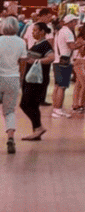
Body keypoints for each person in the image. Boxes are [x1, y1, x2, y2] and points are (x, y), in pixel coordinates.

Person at [19, 22, 54, 140]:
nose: (33, 33)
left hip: (36, 80)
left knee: (25, 104)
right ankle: (37, 130)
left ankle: (38, 128)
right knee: (32, 104)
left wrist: (36, 61)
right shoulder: (37, 44)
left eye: (35, 30)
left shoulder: (45, 45)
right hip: (30, 79)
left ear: (42, 32)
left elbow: (51, 57)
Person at [0, 15, 27, 153]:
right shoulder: (21, 42)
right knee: (9, 110)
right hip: (13, 78)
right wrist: (21, 77)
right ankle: (10, 137)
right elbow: (23, 62)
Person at [50, 14, 77, 117]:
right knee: (62, 86)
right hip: (64, 61)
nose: (76, 24)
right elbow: (72, 46)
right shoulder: (68, 32)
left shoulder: (59, 32)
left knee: (57, 85)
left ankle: (56, 108)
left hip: (57, 60)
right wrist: (83, 43)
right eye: (74, 22)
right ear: (70, 22)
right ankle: (58, 108)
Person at [71, 23, 85, 113]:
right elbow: (82, 53)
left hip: (82, 63)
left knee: (78, 84)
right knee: (84, 84)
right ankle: (80, 104)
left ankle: (75, 104)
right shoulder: (80, 39)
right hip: (79, 62)